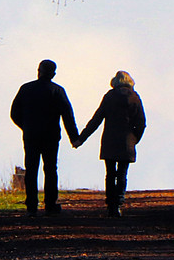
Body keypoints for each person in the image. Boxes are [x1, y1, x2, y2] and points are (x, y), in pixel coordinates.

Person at [10, 59, 80, 215]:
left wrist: (26, 126)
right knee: (50, 168)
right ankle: (50, 204)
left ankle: (31, 206)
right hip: (51, 135)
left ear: (38, 70)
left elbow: (14, 113)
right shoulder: (57, 91)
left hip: (31, 135)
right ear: (53, 74)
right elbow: (68, 115)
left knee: (31, 168)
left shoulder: (26, 89)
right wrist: (74, 137)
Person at [75, 70, 147, 217]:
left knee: (110, 174)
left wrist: (81, 138)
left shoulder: (109, 97)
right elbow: (141, 123)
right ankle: (119, 203)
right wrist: (134, 139)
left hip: (109, 140)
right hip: (127, 142)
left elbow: (96, 119)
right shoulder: (134, 98)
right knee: (122, 174)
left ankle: (110, 205)